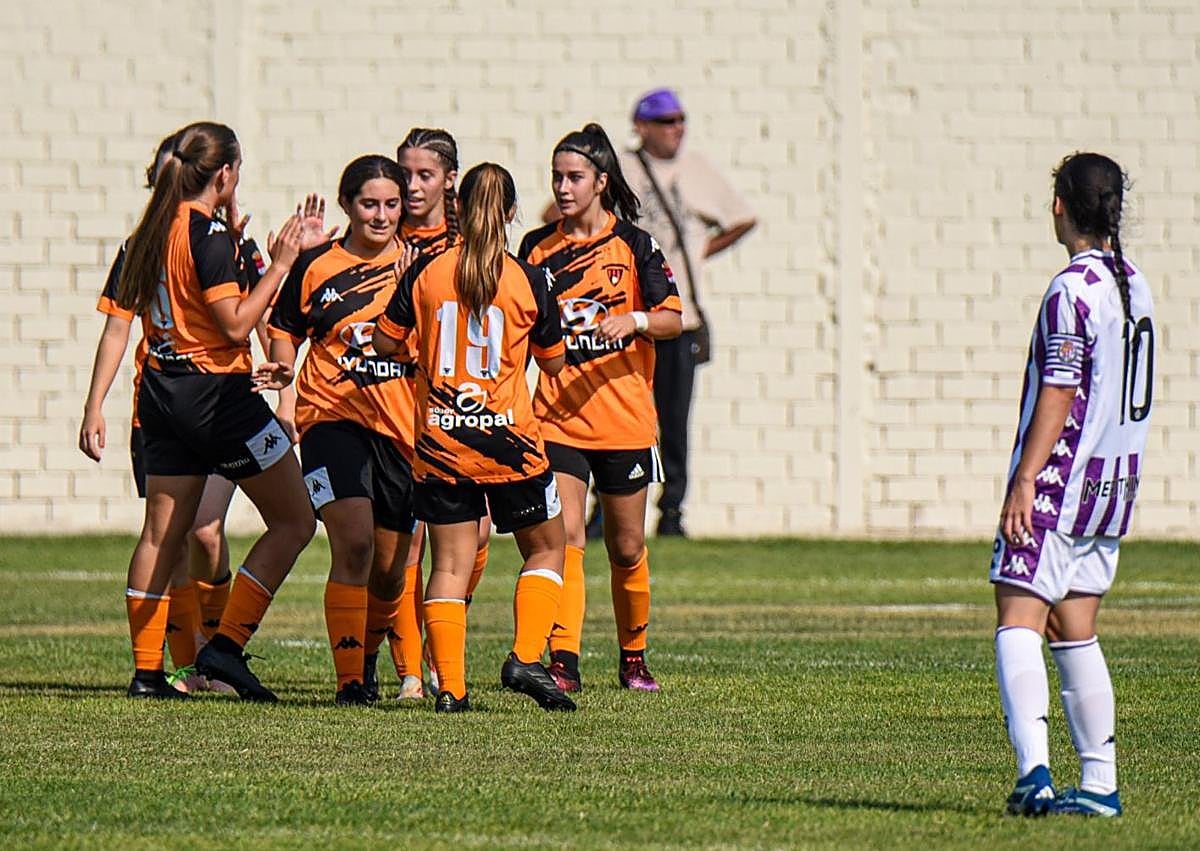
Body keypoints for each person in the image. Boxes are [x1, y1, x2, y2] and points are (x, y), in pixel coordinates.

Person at [115, 120, 315, 701]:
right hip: (219, 399)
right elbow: (233, 323)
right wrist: (279, 263)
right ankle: (225, 647)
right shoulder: (208, 236)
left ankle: (148, 673)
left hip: (162, 394)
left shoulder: (154, 232)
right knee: (297, 520)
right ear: (223, 174)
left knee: (162, 534)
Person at [373, 162, 575, 713]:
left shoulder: (426, 273)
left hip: (441, 442)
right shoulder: (528, 278)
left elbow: (386, 345)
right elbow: (554, 363)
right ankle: (526, 657)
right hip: (510, 443)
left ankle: (451, 690)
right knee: (549, 547)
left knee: (449, 566)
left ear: (457, 208)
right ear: (511, 212)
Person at [990, 153, 1153, 818]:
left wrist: (1026, 478)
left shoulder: (1072, 288)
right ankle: (1100, 783)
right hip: (1112, 485)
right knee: (1074, 624)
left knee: (1018, 612)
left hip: (1062, 479)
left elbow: (1060, 386)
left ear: (1060, 205)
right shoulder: (1135, 284)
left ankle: (1033, 772)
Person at [519, 123, 682, 694]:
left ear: (601, 182)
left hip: (625, 420)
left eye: (574, 177)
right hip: (557, 418)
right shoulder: (536, 248)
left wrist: (633, 320)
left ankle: (633, 657)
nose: (563, 187)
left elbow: (672, 319)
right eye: (556, 177)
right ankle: (563, 659)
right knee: (566, 538)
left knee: (627, 546)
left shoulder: (635, 246)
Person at [259, 155, 421, 706]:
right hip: (331, 418)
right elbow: (283, 330)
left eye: (391, 204)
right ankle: (350, 681)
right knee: (352, 542)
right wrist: (283, 365)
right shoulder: (316, 266)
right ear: (348, 205)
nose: (381, 216)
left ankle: (373, 658)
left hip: (403, 430)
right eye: (369, 204)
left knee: (390, 568)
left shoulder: (421, 267)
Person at [381, 128, 492, 702]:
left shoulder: (466, 244)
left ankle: (435, 645)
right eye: (406, 174)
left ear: (451, 179)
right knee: (412, 543)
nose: (412, 186)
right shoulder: (385, 236)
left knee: (476, 540)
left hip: (459, 418)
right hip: (395, 414)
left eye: (425, 175)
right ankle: (409, 673)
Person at [619, 87, 756, 537]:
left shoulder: (695, 169)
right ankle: (609, 509)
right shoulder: (621, 168)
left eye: (680, 120)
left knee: (673, 420)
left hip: (679, 318)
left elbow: (741, 218)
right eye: (665, 121)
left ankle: (672, 512)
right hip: (625, 319)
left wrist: (697, 253)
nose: (676, 129)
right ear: (641, 126)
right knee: (618, 420)